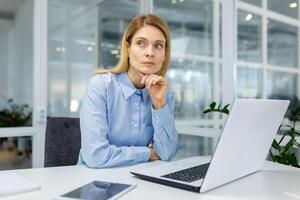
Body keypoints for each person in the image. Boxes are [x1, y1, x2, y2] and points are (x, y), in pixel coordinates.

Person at [77, 14, 178, 168]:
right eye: (141, 43)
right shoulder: (101, 86)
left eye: (158, 45)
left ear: (164, 54)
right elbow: (96, 156)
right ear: (128, 48)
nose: (150, 52)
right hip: (95, 181)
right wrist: (148, 153)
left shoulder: (164, 93)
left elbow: (167, 153)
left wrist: (158, 104)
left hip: (141, 179)